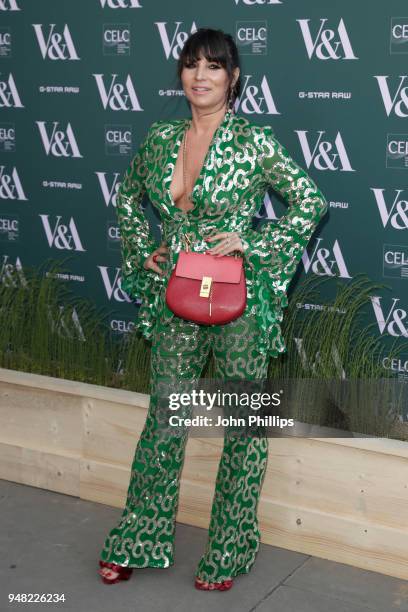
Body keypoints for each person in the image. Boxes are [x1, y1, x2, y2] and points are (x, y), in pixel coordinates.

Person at [98, 28, 328, 591]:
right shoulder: (159, 139)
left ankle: (228, 547)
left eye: (214, 66)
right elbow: (128, 195)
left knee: (242, 427)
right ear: (181, 75)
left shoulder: (251, 140)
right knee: (165, 419)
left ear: (233, 78)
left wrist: (255, 242)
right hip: (177, 292)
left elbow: (310, 201)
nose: (201, 76)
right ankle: (139, 537)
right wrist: (139, 248)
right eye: (191, 65)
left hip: (240, 301)